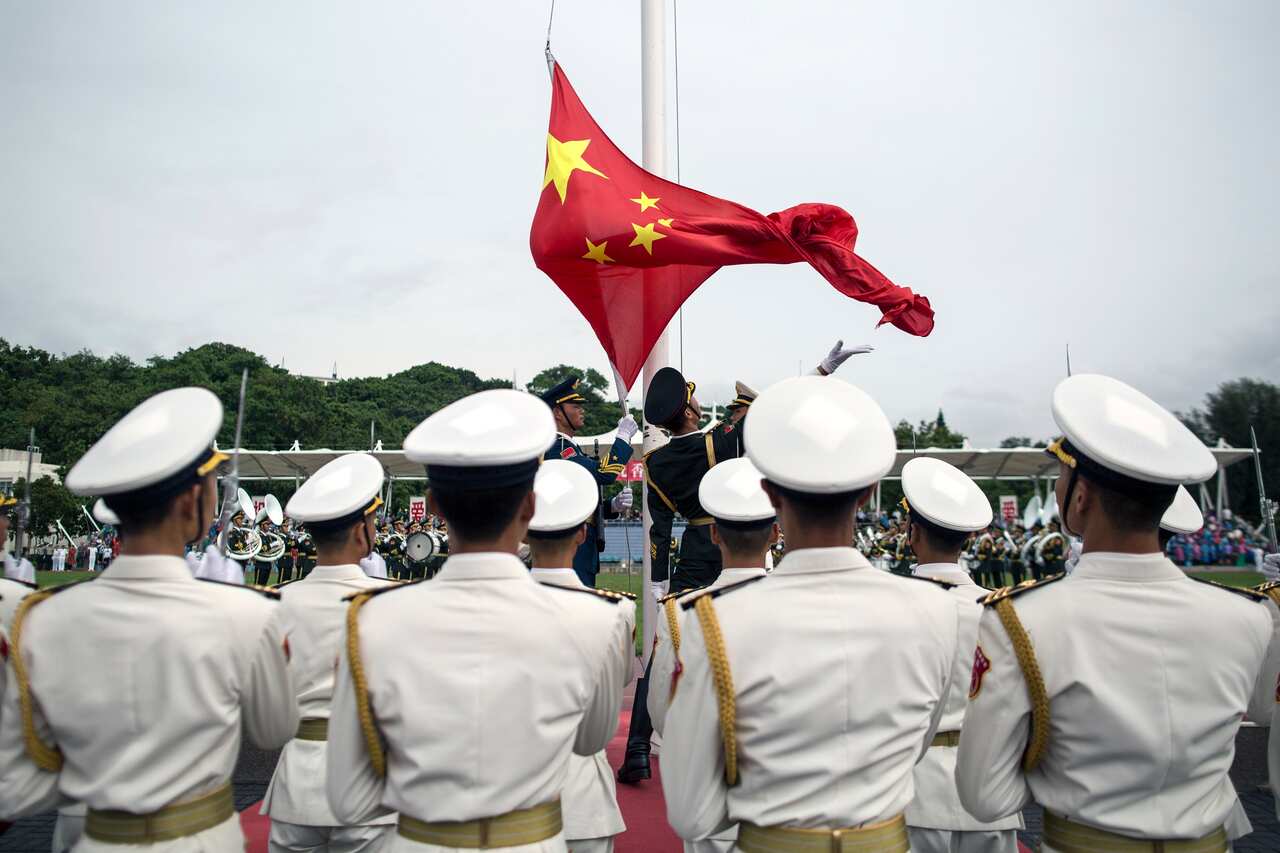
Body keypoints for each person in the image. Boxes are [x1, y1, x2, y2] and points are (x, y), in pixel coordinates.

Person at [955, 374, 1272, 853]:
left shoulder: (1020, 621)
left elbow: (984, 795)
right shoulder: (1249, 614)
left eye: (1062, 476)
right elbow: (1263, 712)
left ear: (1079, 498)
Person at [661, 375, 958, 852]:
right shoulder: (935, 609)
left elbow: (693, 813)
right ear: (866, 495)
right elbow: (917, 745)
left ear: (771, 495)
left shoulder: (712, 621)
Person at [326, 388, 628, 851]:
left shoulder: (369, 619)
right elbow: (588, 743)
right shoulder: (595, 617)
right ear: (530, 506)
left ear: (435, 505)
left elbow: (349, 800)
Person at [0, 386, 299, 850]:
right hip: (202, 837)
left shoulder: (37, 619)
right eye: (211, 487)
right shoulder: (247, 613)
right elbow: (275, 730)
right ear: (189, 501)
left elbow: (17, 780)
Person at [619, 341, 870, 785]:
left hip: (693, 551)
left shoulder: (655, 462)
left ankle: (637, 748)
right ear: (692, 413)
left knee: (664, 652)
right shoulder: (719, 441)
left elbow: (658, 529)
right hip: (735, 541)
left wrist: (659, 584)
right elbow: (776, 410)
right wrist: (822, 369)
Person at [260, 453, 398, 853]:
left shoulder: (277, 600)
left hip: (296, 783)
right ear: (361, 532)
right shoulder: (390, 601)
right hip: (369, 781)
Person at [648, 457, 774, 853]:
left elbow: (663, 716)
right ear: (774, 534)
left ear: (714, 535)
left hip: (711, 800)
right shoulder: (814, 606)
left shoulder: (679, 612)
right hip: (794, 807)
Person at [899, 457, 1023, 853]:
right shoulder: (1005, 610)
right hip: (990, 789)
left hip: (913, 790)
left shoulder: (888, 609)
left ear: (911, 532)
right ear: (969, 538)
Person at [526, 459, 636, 853]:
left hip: (511, 800)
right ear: (583, 535)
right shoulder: (614, 611)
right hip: (583, 795)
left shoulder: (488, 606)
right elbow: (619, 682)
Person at [540, 375, 637, 588]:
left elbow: (575, 501)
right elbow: (604, 472)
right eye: (575, 405)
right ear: (558, 413)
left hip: (579, 548)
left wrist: (612, 506)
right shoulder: (558, 448)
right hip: (571, 548)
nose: (581, 410)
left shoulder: (568, 448)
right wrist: (622, 437)